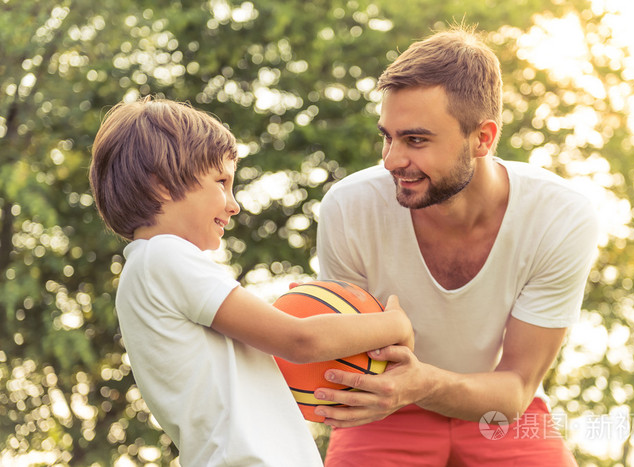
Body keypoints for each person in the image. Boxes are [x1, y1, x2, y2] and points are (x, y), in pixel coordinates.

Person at [313, 26, 599, 466]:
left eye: (416, 140)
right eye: (387, 136)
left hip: (494, 401)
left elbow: (517, 388)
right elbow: (344, 356)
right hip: (385, 402)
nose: (390, 160)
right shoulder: (348, 208)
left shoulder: (560, 216)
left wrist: (427, 383)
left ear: (483, 138)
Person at [88, 97, 414, 466]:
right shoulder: (161, 256)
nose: (233, 204)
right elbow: (300, 340)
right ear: (161, 185)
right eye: (221, 182)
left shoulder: (153, 268)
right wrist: (395, 323)